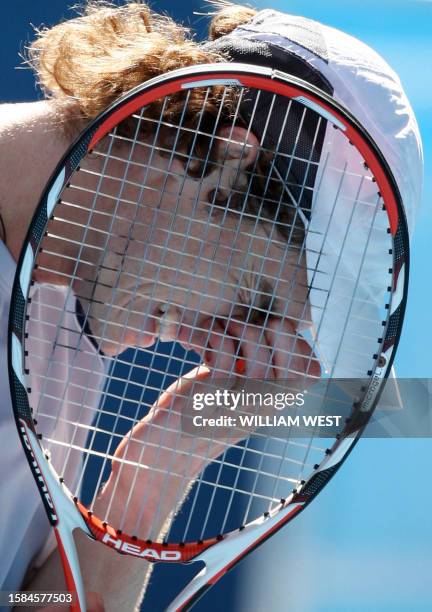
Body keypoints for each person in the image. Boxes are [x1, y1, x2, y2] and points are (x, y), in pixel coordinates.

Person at [0, 2, 422, 611]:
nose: (215, 346)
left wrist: (149, 483)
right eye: (254, 300)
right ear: (224, 159)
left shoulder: (63, 335)